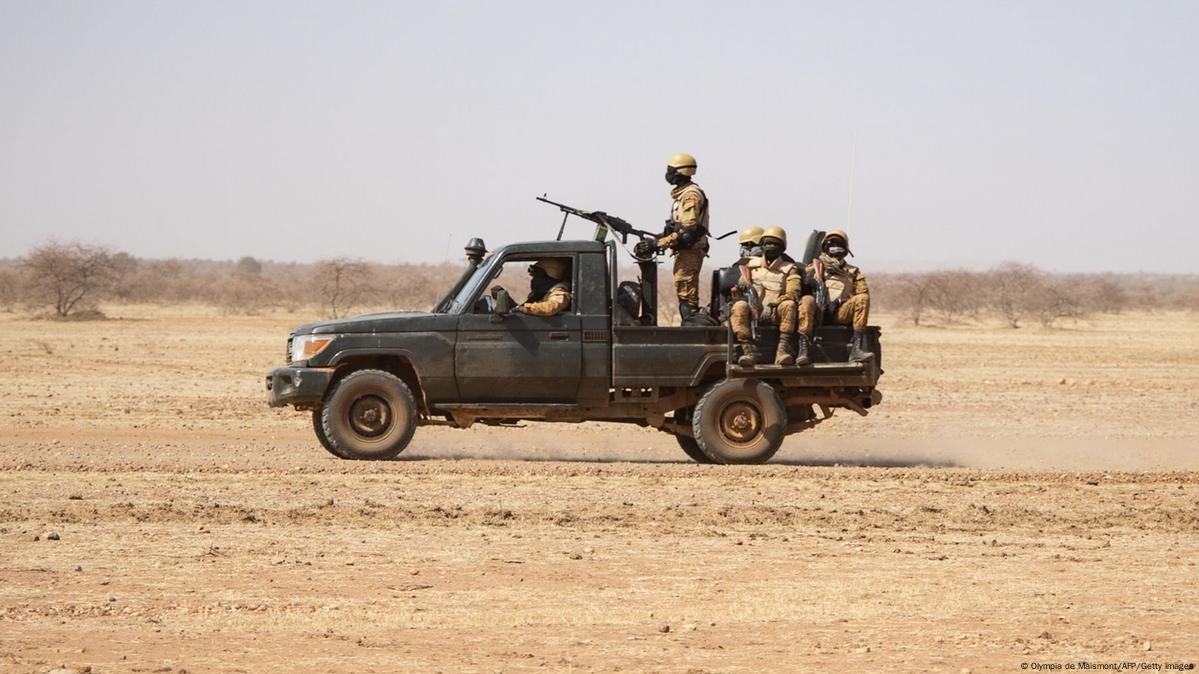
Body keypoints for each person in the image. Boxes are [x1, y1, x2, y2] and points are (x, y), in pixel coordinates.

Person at [729, 226, 815, 366]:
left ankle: (782, 351)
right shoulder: (749, 266)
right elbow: (737, 291)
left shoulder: (790, 268)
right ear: (761, 246)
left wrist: (772, 305)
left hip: (776, 312)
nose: (771, 247)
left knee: (789, 304)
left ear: (782, 247)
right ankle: (749, 352)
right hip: (753, 311)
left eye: (775, 244)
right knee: (739, 306)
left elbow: (793, 293)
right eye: (767, 243)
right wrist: (740, 288)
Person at [804, 229, 873, 362]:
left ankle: (857, 348)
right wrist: (811, 282)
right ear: (825, 248)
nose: (836, 248)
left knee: (863, 299)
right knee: (806, 301)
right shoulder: (813, 268)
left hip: (840, 313)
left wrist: (842, 300)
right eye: (832, 244)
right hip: (816, 313)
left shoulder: (853, 272)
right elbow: (800, 289)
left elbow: (863, 293)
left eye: (839, 245)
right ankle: (804, 348)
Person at [656, 153, 709, 323]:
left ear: (680, 172)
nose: (668, 174)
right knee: (683, 290)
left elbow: (688, 230)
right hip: (685, 250)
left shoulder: (690, 196)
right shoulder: (683, 194)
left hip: (690, 250)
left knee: (686, 292)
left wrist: (661, 243)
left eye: (671, 170)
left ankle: (691, 323)